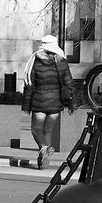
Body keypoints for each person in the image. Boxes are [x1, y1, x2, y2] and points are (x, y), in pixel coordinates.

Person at [25, 36, 70, 170]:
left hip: (39, 100)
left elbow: (29, 84)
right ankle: (44, 160)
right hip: (56, 101)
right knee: (48, 130)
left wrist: (26, 105)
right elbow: (69, 82)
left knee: (36, 129)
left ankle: (44, 148)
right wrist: (72, 104)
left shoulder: (36, 61)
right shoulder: (62, 61)